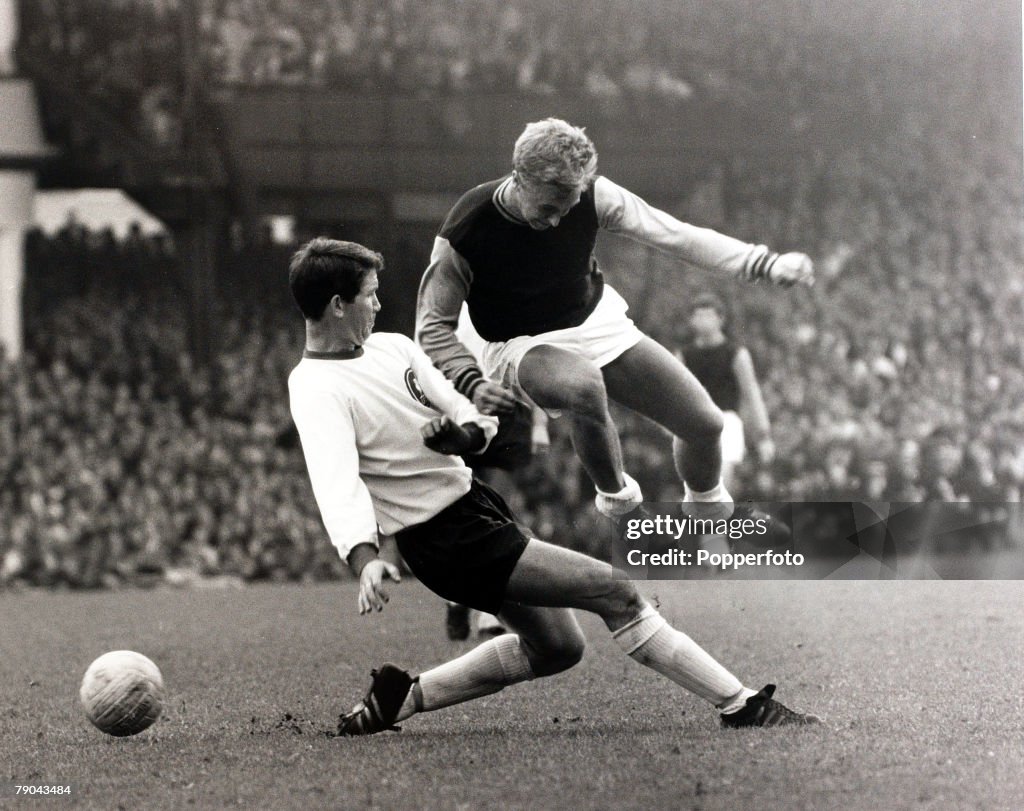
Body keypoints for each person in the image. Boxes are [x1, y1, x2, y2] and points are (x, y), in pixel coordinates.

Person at [287, 237, 820, 735]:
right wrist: (365, 558)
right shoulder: (316, 387)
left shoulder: (393, 348)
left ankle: (402, 696)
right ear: (338, 305)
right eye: (370, 296)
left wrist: (464, 433)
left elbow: (463, 407)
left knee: (559, 648)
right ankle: (742, 704)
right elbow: (334, 480)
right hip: (442, 538)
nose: (378, 306)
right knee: (618, 592)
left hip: (474, 507)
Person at [415, 118, 814, 536]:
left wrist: (763, 263)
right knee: (583, 386)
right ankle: (623, 508)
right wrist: (471, 381)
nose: (555, 222)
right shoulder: (466, 229)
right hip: (516, 342)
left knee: (705, 426)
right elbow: (433, 326)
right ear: (519, 178)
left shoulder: (594, 194)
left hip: (593, 318)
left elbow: (677, 236)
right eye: (548, 208)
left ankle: (707, 517)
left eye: (566, 209)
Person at [679, 293, 775, 560]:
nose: (702, 320)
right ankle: (708, 541)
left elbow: (751, 393)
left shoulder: (736, 354)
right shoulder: (685, 355)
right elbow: (674, 393)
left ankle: (716, 540)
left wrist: (763, 434)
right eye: (697, 315)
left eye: (708, 314)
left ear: (721, 319)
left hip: (727, 422)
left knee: (724, 478)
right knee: (698, 485)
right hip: (695, 424)